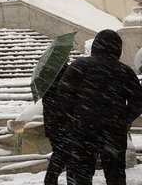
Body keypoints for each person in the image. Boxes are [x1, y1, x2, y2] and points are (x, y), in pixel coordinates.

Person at [58, 29, 142, 185]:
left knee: (80, 173)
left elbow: (63, 93)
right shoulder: (125, 71)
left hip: (83, 128)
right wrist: (124, 119)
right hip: (114, 130)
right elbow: (138, 102)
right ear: (118, 48)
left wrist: (75, 115)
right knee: (115, 174)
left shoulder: (79, 66)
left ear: (96, 46)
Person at [41, 63, 72, 185]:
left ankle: (51, 179)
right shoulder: (67, 76)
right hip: (65, 124)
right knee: (66, 156)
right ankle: (52, 180)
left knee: (60, 154)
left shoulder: (47, 79)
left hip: (53, 125)